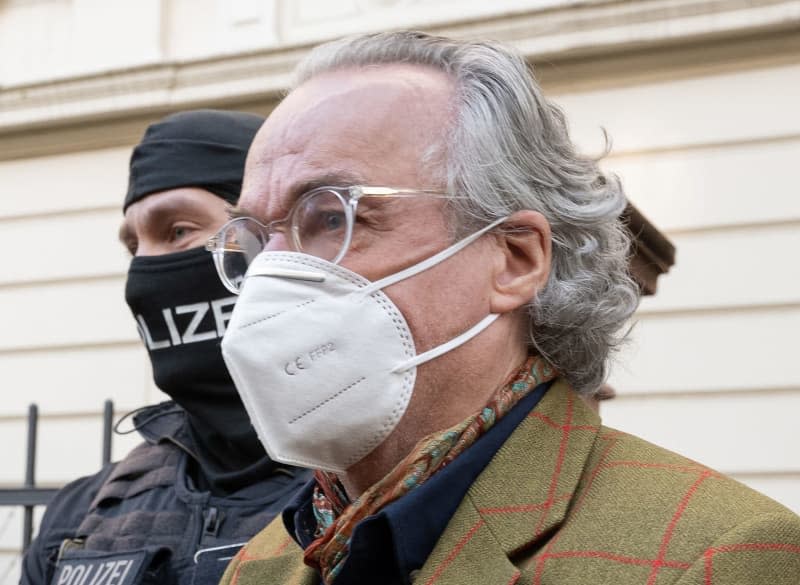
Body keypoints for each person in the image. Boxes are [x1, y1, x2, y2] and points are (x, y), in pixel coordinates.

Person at [210, 32, 800, 585]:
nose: (271, 274)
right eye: (256, 238)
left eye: (332, 216)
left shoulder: (721, 554)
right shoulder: (263, 562)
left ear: (514, 260)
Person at [20, 110, 311, 585]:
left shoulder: (385, 489)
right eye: (134, 246)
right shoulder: (81, 517)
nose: (143, 274)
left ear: (269, 241)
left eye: (177, 231)